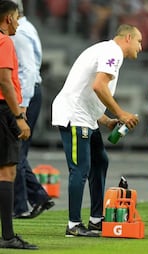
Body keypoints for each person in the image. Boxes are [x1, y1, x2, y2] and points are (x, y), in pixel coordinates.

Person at [51, 24, 141, 237]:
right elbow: (98, 86)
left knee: (100, 161)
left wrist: (106, 120)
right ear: (128, 38)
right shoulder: (113, 52)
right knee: (80, 168)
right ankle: (73, 224)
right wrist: (120, 114)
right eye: (139, 41)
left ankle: (96, 220)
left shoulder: (105, 50)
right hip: (75, 117)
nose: (141, 47)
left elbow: (84, 88)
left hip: (86, 117)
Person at [11, 0, 54, 219]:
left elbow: (26, 70)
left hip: (25, 94)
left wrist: (23, 105)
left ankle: (19, 206)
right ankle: (37, 197)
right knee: (17, 151)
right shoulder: (27, 27)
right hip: (29, 91)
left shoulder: (17, 33)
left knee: (15, 151)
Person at [0, 0, 37, 250]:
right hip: (3, 111)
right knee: (7, 172)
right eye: (16, 17)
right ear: (8, 18)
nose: (17, 22)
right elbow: (5, 80)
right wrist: (19, 117)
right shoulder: (4, 41)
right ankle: (8, 236)